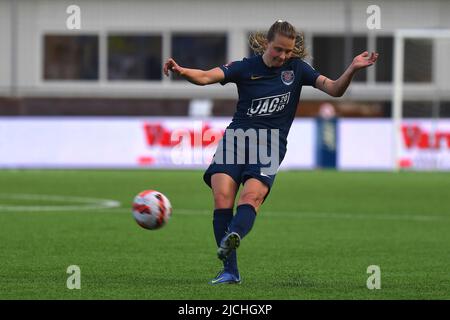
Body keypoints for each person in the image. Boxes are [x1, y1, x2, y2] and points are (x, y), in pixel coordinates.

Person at [163, 20, 378, 285]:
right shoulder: (244, 67)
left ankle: (235, 235)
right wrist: (181, 70)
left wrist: (352, 69)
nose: (283, 56)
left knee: (252, 197)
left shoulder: (298, 69)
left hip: (270, 144)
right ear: (267, 43)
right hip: (237, 139)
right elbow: (207, 77)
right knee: (221, 198)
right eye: (278, 49)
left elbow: (334, 89)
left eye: (288, 51)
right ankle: (230, 270)